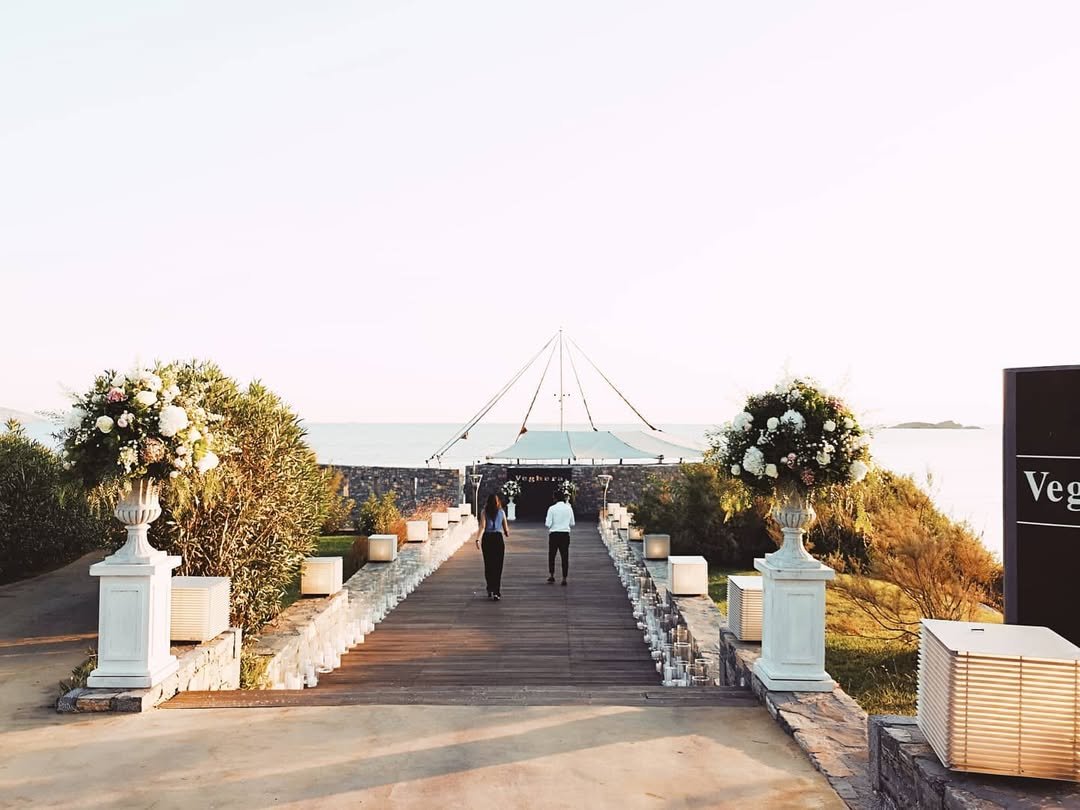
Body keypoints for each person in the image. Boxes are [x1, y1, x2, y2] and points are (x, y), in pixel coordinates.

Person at [476, 493, 510, 601]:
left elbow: (482, 526)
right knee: (498, 565)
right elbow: (506, 529)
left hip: (487, 539)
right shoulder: (502, 512)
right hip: (498, 539)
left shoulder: (484, 512)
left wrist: (477, 539)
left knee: (488, 564)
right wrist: (506, 532)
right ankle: (496, 591)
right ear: (498, 502)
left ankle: (490, 588)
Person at [545, 491, 575, 585]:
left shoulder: (552, 508)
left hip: (554, 534)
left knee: (552, 555)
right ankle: (564, 577)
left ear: (555, 498)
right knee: (564, 556)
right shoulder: (569, 508)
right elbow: (572, 523)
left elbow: (548, 524)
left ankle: (552, 575)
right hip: (565, 534)